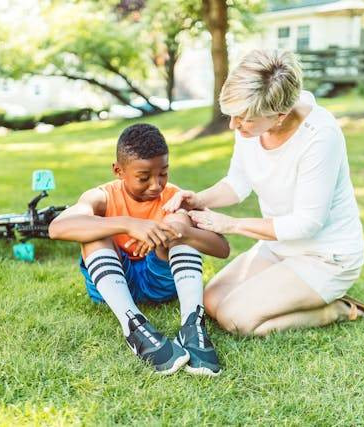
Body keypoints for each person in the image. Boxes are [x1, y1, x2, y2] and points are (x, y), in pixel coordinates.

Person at [163, 49, 364, 337]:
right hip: (277, 246)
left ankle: (335, 308)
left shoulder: (320, 136)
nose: (234, 125)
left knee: (235, 319)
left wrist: (233, 225)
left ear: (280, 115)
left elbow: (307, 223)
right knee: (210, 300)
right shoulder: (251, 123)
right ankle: (289, 290)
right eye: (233, 116)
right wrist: (198, 199)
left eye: (244, 119)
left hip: (325, 257)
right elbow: (238, 182)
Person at [49, 123, 230, 375]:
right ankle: (133, 325)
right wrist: (127, 224)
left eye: (163, 173)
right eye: (144, 177)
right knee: (94, 232)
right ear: (118, 171)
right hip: (114, 283)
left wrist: (183, 230)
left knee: (178, 224)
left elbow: (222, 248)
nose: (156, 185)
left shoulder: (176, 197)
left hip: (159, 281)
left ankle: (192, 325)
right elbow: (57, 228)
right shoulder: (102, 196)